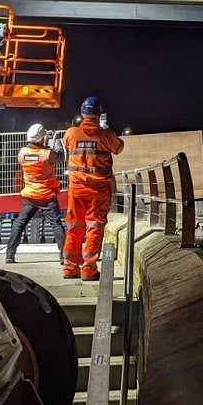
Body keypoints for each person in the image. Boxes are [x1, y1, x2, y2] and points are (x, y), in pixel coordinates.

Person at [62, 96, 124, 281]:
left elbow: (65, 144)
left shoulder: (71, 133)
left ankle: (70, 268)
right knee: (94, 227)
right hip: (98, 191)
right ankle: (88, 269)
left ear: (82, 113)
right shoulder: (106, 136)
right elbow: (119, 147)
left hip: (76, 189)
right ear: (99, 115)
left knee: (74, 227)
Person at [4, 123, 65, 264]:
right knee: (56, 224)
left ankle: (10, 254)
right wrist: (55, 140)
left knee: (19, 224)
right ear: (41, 138)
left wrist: (45, 142)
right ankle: (64, 255)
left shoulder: (22, 153)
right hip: (47, 195)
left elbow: (37, 154)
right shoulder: (47, 154)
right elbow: (60, 156)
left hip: (30, 195)